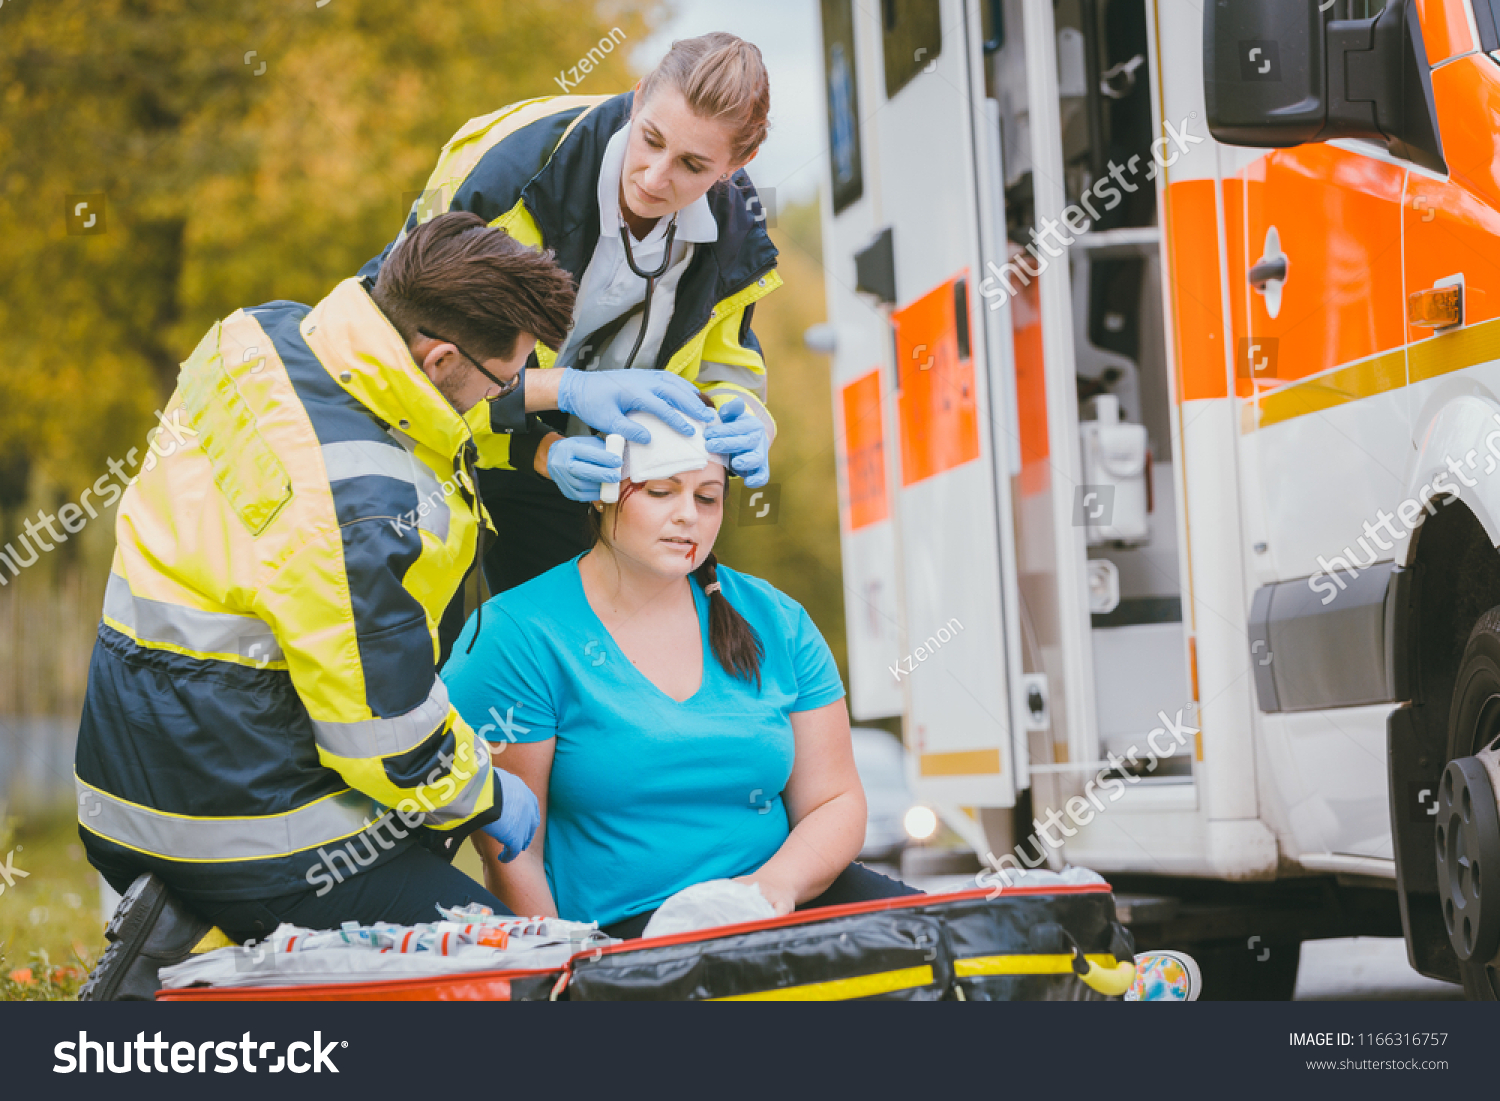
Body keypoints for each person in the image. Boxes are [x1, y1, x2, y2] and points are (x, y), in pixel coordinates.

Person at [75, 212, 718, 999]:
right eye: (507, 377)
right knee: (514, 975)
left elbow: (409, 400)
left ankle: (186, 912)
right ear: (440, 355)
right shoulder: (361, 508)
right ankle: (219, 951)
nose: (514, 391)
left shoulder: (261, 334)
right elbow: (387, 744)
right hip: (241, 817)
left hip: (132, 762)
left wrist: (538, 443)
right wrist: (483, 792)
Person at [442, 404, 919, 938]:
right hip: (628, 932)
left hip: (779, 901)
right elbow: (512, 856)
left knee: (957, 947)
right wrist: (563, 968)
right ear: (600, 493)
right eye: (660, 492)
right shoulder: (517, 635)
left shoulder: (777, 620)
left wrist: (769, 891)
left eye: (707, 497)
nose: (688, 515)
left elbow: (835, 800)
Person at [361, 32, 780, 608]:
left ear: (738, 164)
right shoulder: (509, 175)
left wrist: (748, 415)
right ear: (637, 99)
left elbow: (726, 361)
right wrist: (551, 423)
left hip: (579, 472)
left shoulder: (736, 232)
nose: (655, 179)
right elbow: (414, 362)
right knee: (421, 634)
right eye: (651, 139)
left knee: (574, 645)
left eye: (692, 164)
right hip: (430, 442)